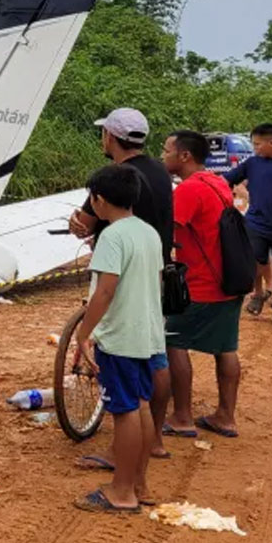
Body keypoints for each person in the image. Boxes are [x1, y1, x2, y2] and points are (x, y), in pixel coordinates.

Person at [67, 108, 175, 466]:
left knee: (126, 403)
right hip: (152, 280)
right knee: (154, 368)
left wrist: (85, 332)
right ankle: (153, 443)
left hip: (121, 294)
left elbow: (105, 289)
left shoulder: (112, 182)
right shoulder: (160, 172)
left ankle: (122, 465)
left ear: (110, 137)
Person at [72, 165, 166, 513]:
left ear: (98, 200)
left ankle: (121, 492)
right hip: (147, 333)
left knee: (124, 412)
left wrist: (84, 333)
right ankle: (139, 483)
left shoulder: (111, 237)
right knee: (140, 405)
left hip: (120, 337)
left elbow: (105, 290)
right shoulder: (149, 232)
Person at [161, 131, 245, 439]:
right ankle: (226, 416)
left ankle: (182, 416)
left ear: (184, 156)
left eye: (166, 150)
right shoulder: (217, 182)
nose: (162, 155)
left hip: (200, 284)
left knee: (174, 342)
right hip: (230, 279)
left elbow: (167, 231)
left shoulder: (188, 190)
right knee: (226, 347)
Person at [224, 123, 272, 327]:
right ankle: (258, 293)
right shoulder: (253, 163)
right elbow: (226, 180)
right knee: (252, 259)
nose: (254, 148)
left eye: (257, 144)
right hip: (257, 223)